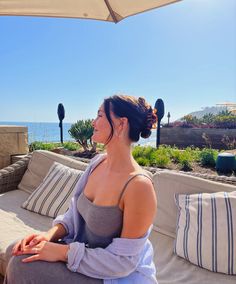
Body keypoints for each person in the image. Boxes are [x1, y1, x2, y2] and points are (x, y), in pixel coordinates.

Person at [4, 95, 158, 284]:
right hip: (83, 255)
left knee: (21, 265)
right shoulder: (97, 163)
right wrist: (48, 236)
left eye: (100, 115)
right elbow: (73, 213)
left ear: (121, 124)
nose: (94, 122)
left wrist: (62, 252)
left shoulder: (139, 187)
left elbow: (123, 263)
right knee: (16, 248)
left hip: (113, 275)